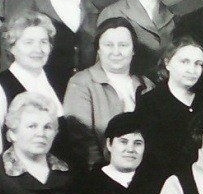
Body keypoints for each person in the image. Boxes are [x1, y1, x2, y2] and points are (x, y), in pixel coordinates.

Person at [0, 11, 65, 170]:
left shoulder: (57, 85)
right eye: (29, 42)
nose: (38, 49)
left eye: (43, 42)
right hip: (15, 183)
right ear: (12, 47)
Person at [64, 17, 155, 169]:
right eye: (108, 45)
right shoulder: (81, 83)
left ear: (133, 50)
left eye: (123, 45)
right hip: (100, 173)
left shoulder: (146, 84)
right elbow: (83, 143)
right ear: (98, 49)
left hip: (144, 172)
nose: (116, 52)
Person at [16, 0, 98, 96]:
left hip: (85, 100)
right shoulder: (28, 9)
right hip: (37, 99)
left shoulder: (94, 13)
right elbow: (7, 61)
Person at [136, 37, 203, 180]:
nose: (191, 70)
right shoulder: (150, 102)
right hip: (162, 180)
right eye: (184, 62)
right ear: (167, 63)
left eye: (198, 64)